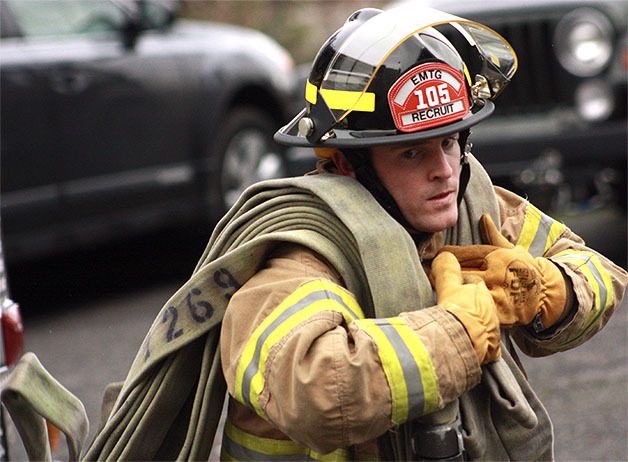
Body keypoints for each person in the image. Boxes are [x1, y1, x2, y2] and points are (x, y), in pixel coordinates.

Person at [3, 4, 625, 462]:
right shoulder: (298, 259)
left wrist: (547, 291)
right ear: (348, 162)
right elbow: (320, 388)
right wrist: (463, 329)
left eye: (452, 142)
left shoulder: (471, 204)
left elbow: (601, 270)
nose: (443, 169)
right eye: (410, 154)